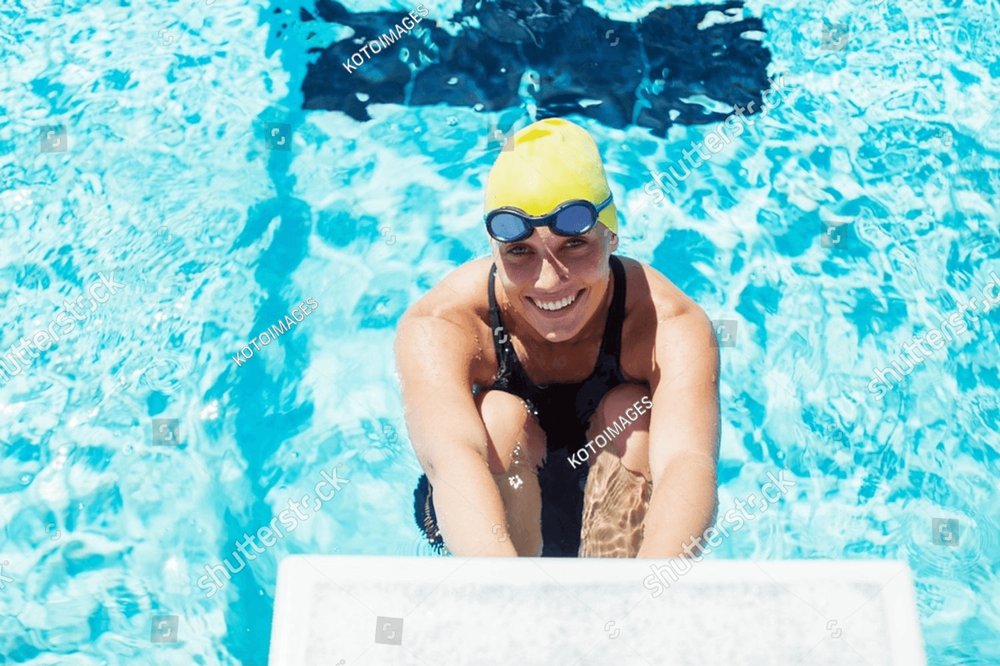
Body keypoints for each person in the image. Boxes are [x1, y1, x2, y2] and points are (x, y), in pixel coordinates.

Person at [395, 118, 719, 557]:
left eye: (575, 246)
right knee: (496, 416)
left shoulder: (667, 321)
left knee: (633, 416)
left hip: (620, 502)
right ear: (494, 251)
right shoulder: (443, 323)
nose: (549, 281)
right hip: (493, 506)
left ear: (611, 235)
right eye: (520, 252)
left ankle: (611, 600)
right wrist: (504, 599)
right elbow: (452, 461)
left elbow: (688, 463)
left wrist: (646, 599)